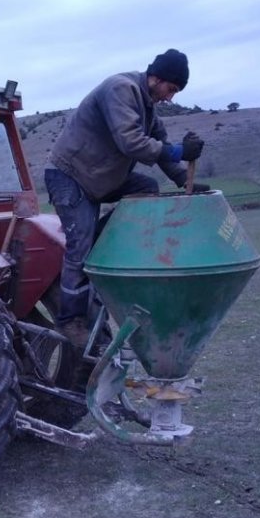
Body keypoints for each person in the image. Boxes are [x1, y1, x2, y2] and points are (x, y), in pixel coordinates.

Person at [45, 49, 207, 347]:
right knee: (79, 250)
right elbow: (131, 142)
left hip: (100, 178)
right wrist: (178, 152)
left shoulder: (148, 107)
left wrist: (184, 178)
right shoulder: (121, 89)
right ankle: (70, 320)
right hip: (70, 177)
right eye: (170, 89)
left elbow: (162, 146)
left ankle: (95, 241)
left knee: (146, 188)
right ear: (155, 78)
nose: (170, 97)